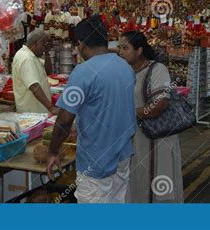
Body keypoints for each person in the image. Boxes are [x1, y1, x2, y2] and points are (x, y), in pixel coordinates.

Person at [46, 15, 137, 203]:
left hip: (96, 161)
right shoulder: (125, 67)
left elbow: (64, 119)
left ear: (81, 44)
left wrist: (53, 151)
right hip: (122, 154)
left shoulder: (83, 72)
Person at [119, 31, 184, 203]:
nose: (121, 52)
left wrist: (129, 114)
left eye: (125, 48)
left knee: (157, 181)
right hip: (136, 137)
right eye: (120, 48)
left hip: (156, 139)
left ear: (139, 50)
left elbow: (160, 104)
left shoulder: (157, 69)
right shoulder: (126, 71)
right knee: (138, 180)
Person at [12, 30, 59, 114]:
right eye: (43, 45)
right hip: (32, 113)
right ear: (36, 43)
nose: (44, 48)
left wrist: (47, 52)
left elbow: (48, 71)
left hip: (37, 111)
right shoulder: (26, 58)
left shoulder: (32, 55)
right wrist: (51, 108)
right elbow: (33, 85)